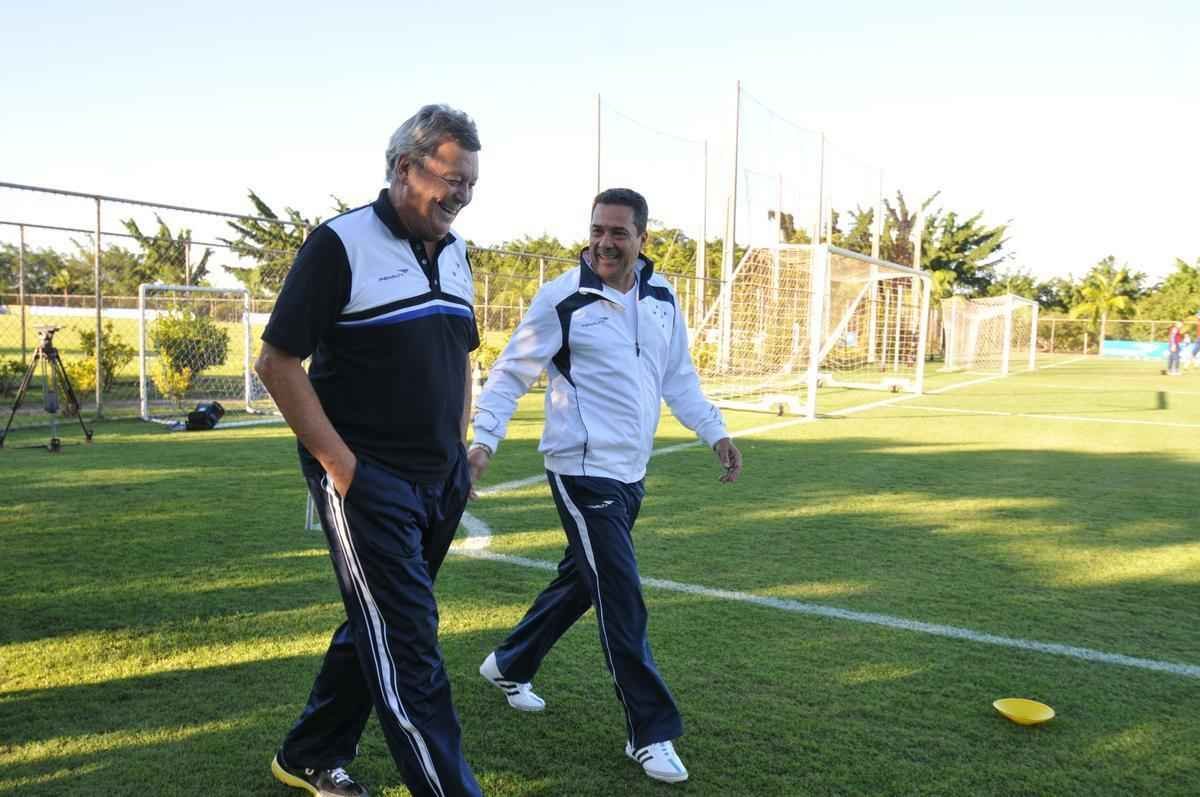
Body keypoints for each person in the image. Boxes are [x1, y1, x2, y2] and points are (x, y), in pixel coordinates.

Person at [467, 188, 743, 785]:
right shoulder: (562, 298)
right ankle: (650, 731)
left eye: (618, 232)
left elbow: (679, 378)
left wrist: (714, 432)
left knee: (581, 580)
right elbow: (511, 372)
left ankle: (509, 664)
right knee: (620, 591)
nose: (605, 242)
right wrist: (484, 440)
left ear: (643, 237)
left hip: (631, 474)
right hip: (579, 469)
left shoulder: (664, 298)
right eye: (598, 230)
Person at [255, 104, 484, 797]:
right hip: (368, 479)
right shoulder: (340, 243)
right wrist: (340, 466)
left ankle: (310, 751)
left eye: (470, 184)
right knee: (410, 647)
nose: (461, 196)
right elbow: (278, 362)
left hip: (439, 477)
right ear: (405, 168)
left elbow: (461, 357)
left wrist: (461, 449)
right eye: (451, 179)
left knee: (377, 622)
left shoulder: (458, 250)